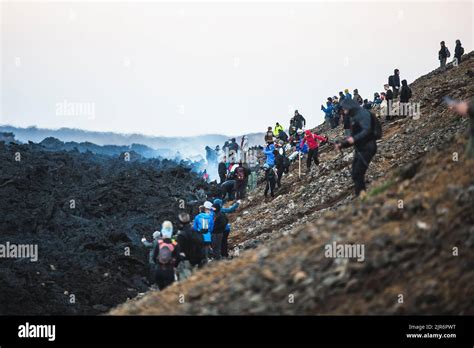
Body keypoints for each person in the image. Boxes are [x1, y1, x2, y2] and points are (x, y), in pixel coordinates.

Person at [336, 99, 377, 197]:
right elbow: (353, 138)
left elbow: (367, 130)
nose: (344, 111)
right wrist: (342, 144)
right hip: (360, 148)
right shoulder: (353, 118)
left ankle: (362, 197)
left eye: (345, 109)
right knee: (355, 173)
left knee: (358, 172)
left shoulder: (362, 114)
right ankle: (361, 195)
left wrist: (354, 139)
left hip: (368, 146)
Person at [151, 221, 179, 290]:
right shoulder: (174, 244)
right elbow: (178, 258)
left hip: (159, 269)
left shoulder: (159, 243)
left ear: (162, 231)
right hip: (169, 270)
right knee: (169, 291)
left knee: (161, 291)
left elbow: (154, 257)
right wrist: (174, 265)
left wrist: (158, 263)